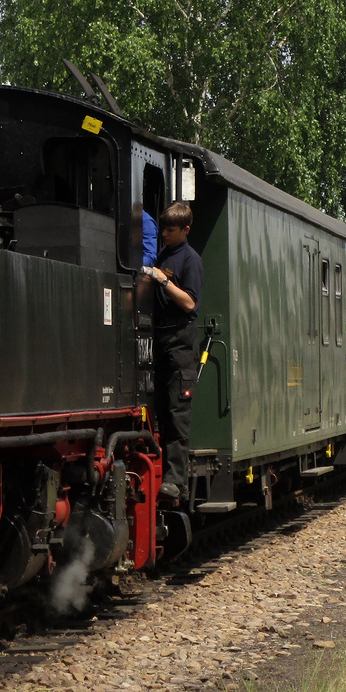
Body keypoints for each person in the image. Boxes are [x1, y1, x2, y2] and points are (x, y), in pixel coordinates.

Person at [148, 201, 203, 503]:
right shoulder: (164, 253)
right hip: (160, 334)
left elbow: (190, 303)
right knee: (158, 406)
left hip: (181, 337)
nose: (164, 234)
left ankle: (176, 479)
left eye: (170, 229)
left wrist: (163, 280)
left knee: (177, 410)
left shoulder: (189, 260)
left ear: (185, 230)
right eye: (163, 228)